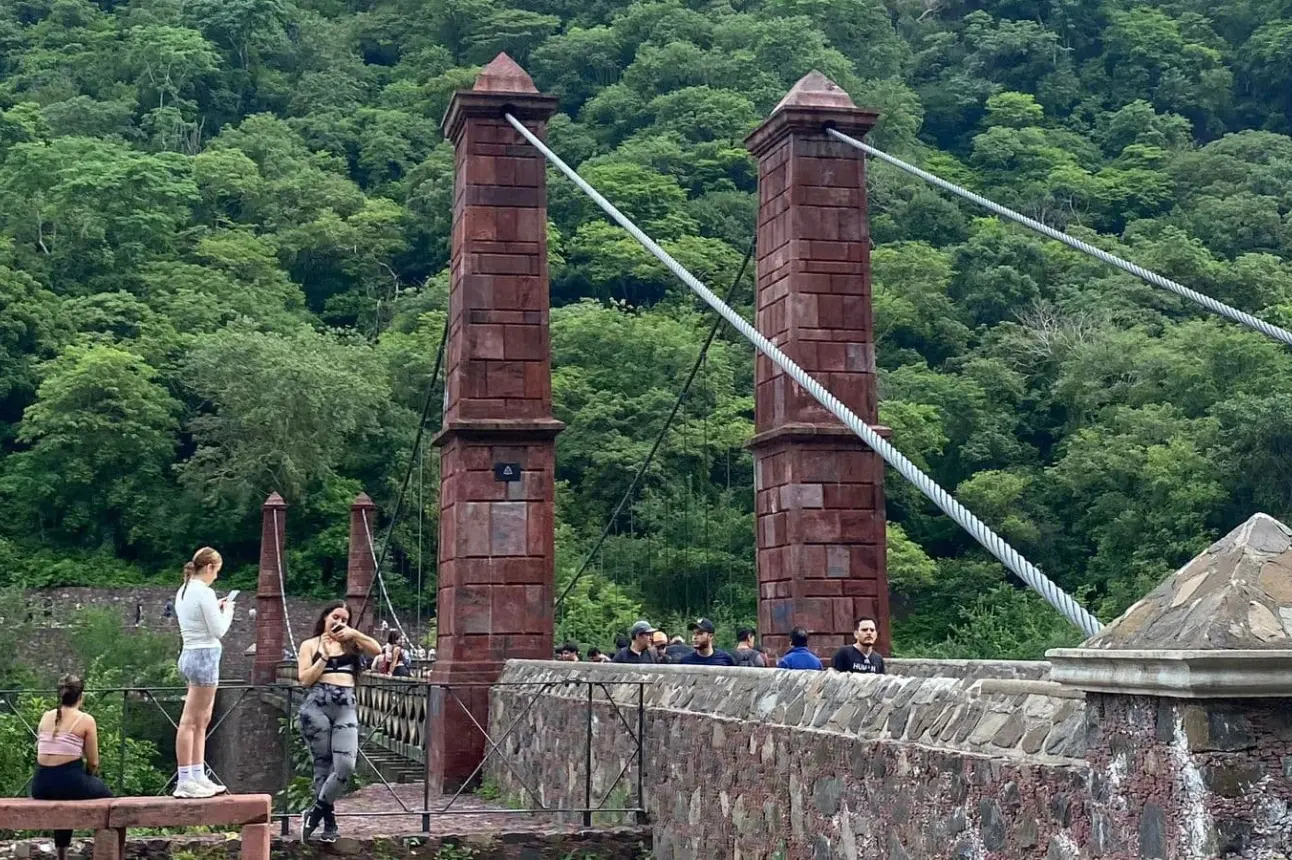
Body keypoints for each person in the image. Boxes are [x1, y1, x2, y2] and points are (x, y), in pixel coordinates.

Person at [296, 601, 382, 843]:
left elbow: (376, 651)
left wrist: (355, 633)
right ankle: (329, 823)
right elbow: (304, 679)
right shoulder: (309, 645)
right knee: (323, 767)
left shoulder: (352, 643)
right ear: (325, 617)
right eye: (335, 616)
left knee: (345, 765)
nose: (339, 622)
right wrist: (323, 656)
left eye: (344, 619)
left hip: (345, 707)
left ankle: (315, 812)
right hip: (316, 708)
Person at [174, 546, 235, 798]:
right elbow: (218, 630)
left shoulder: (185, 589)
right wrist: (228, 610)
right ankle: (185, 778)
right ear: (209, 567)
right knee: (190, 721)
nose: (216, 576)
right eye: (216, 571)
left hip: (191, 653)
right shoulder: (205, 591)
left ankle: (197, 773)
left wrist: (215, 607)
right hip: (204, 656)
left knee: (202, 720)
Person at [32, 675, 112, 856]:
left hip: (40, 785)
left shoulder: (46, 716)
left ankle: (62, 854)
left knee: (64, 803)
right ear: (81, 696)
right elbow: (93, 762)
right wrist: (89, 776)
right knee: (109, 799)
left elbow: (42, 749)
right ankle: (108, 852)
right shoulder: (85, 720)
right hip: (70, 780)